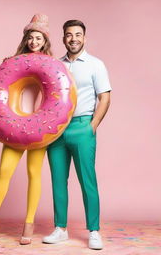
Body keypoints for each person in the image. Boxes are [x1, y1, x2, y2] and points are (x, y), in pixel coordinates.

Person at [0, 14, 52, 245]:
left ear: (44, 41)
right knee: (4, 172)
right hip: (14, 127)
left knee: (34, 174)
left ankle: (28, 224)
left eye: (38, 38)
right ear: (26, 39)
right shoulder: (11, 62)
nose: (34, 41)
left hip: (41, 129)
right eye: (31, 37)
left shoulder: (52, 66)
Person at [42, 20, 111, 250]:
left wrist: (93, 125)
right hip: (57, 130)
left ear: (84, 38)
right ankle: (60, 228)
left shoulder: (95, 65)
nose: (73, 38)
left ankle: (94, 231)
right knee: (58, 181)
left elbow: (105, 97)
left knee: (87, 181)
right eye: (69, 35)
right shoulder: (54, 64)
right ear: (63, 38)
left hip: (83, 126)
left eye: (78, 34)